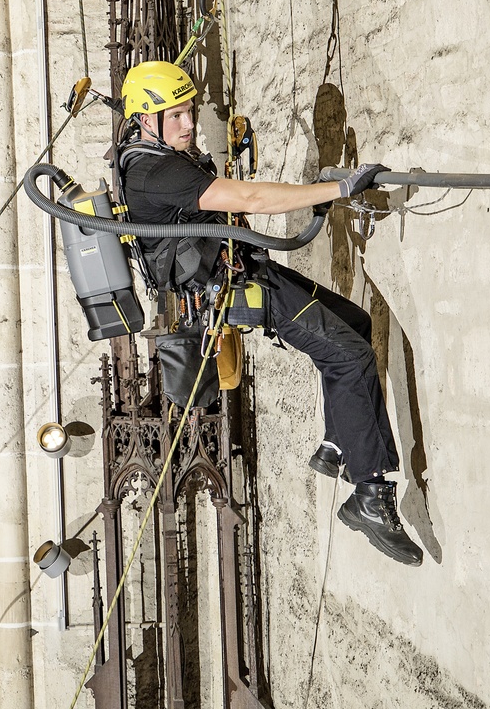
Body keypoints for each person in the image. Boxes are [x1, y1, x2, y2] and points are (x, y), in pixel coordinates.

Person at [117, 60, 422, 566]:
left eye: (190, 110)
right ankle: (370, 496)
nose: (190, 123)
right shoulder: (157, 170)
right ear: (146, 118)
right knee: (350, 357)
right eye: (177, 115)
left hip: (239, 266)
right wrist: (338, 191)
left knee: (354, 324)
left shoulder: (150, 153)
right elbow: (253, 198)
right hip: (234, 284)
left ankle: (338, 444)